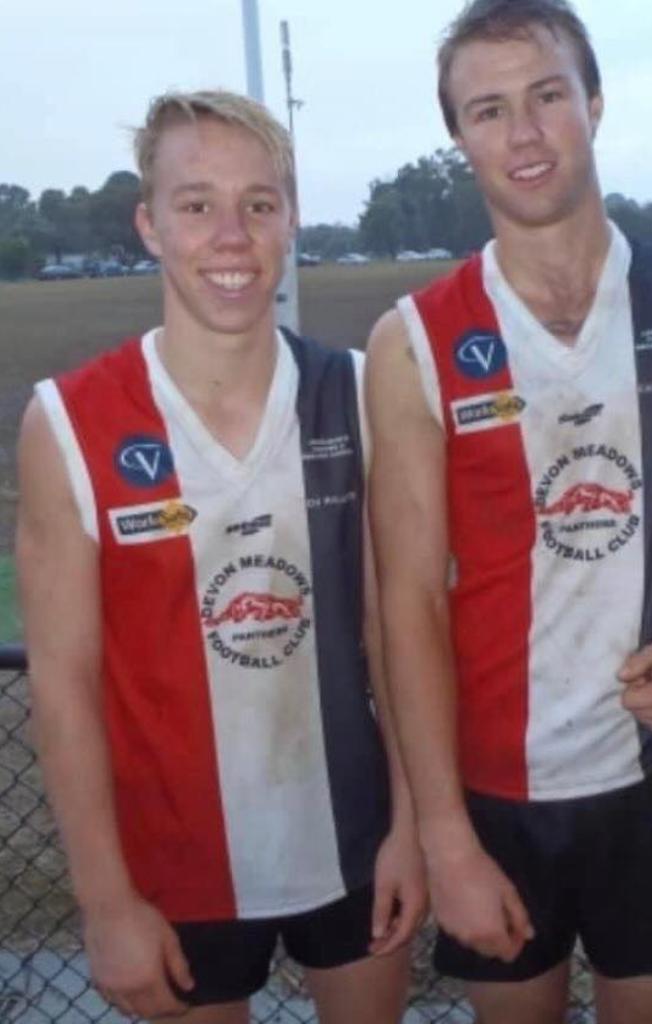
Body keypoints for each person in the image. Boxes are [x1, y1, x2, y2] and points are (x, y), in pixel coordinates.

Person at [365, 2, 652, 1022]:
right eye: (489, 110)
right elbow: (406, 601)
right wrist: (445, 837)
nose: (526, 133)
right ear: (460, 139)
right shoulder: (414, 340)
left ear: (593, 101)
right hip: (497, 796)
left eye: (547, 95)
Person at [17, 90, 425, 1024]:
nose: (232, 236)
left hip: (354, 843)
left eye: (260, 203)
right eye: (197, 205)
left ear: (290, 219)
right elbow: (63, 682)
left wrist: (413, 826)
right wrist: (106, 902)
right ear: (149, 225)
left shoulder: (357, 395)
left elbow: (392, 630)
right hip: (171, 870)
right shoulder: (70, 423)